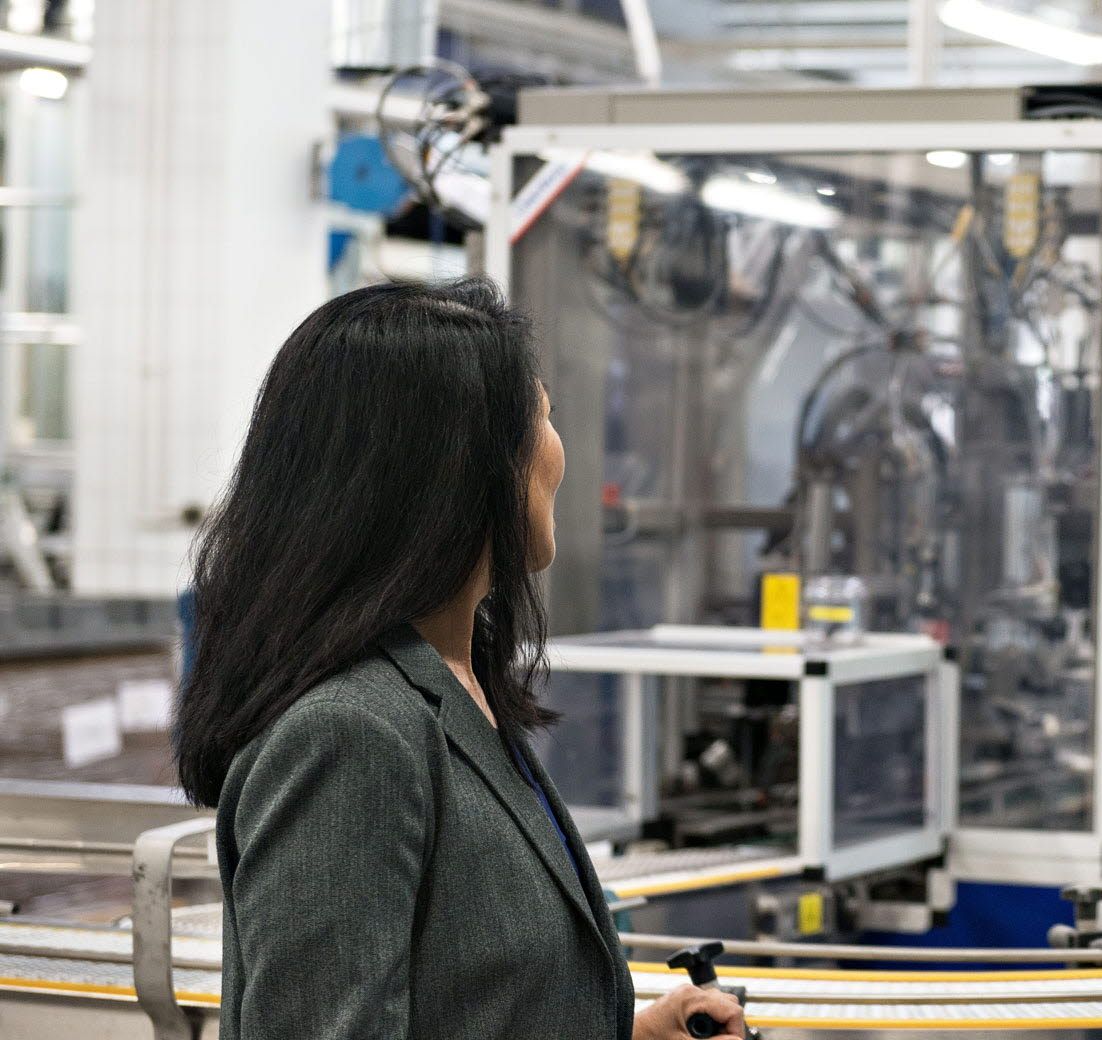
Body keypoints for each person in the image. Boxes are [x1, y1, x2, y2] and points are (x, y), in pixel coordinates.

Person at [175, 279, 744, 1039]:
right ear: (463, 468)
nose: (558, 452)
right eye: (542, 418)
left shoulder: (453, 687)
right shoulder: (351, 737)